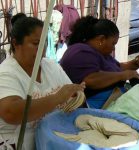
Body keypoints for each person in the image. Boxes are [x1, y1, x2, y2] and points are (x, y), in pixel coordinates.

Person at [0, 15, 85, 150]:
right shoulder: (6, 73)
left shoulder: (51, 66)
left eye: (44, 42)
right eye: (35, 43)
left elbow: (71, 96)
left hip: (55, 139)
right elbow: (11, 112)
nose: (42, 48)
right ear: (16, 43)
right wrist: (57, 98)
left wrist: (76, 93)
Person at [60, 15, 139, 109]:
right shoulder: (80, 51)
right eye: (113, 43)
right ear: (101, 39)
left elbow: (117, 68)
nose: (113, 48)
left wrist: (137, 61)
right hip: (95, 106)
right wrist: (123, 75)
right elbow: (90, 80)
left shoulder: (99, 53)